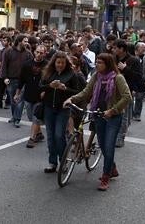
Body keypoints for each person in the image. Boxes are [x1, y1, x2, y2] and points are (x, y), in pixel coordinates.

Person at [65, 53, 132, 191]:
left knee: (108, 146)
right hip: (98, 114)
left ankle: (105, 176)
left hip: (113, 116)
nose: (97, 64)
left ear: (107, 64)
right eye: (96, 62)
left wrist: (112, 110)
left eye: (100, 62)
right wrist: (72, 99)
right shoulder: (96, 76)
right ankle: (112, 167)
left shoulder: (118, 78)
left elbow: (127, 97)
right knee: (102, 144)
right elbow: (86, 92)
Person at [39, 51, 81, 173]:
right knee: (51, 136)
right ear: (54, 62)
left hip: (63, 108)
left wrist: (65, 88)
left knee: (59, 135)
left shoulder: (72, 74)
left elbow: (77, 92)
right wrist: (50, 86)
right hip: (48, 107)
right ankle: (52, 162)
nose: (60, 65)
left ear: (66, 63)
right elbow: (40, 87)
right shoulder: (48, 72)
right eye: (58, 62)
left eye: (62, 63)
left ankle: (63, 161)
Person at [15, 45, 47, 148]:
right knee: (30, 116)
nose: (39, 54)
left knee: (35, 118)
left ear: (45, 53)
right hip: (28, 95)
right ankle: (39, 133)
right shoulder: (27, 64)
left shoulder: (47, 65)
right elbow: (21, 80)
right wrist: (17, 94)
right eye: (37, 52)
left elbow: (50, 80)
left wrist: (46, 91)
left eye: (41, 53)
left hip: (40, 96)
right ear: (34, 52)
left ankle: (32, 138)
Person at [1, 34, 33, 127]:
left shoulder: (28, 53)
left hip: (23, 81)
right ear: (19, 41)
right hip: (11, 79)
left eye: (27, 41)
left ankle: (17, 118)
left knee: (19, 100)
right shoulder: (9, 51)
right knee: (12, 100)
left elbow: (31, 67)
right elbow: (4, 66)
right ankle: (14, 116)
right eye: (25, 41)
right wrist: (5, 77)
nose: (27, 43)